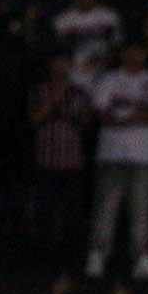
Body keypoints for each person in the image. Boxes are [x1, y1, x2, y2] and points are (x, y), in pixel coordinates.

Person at [87, 40, 148, 280]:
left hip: (144, 157)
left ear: (145, 55)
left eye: (139, 52)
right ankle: (97, 256)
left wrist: (135, 118)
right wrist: (133, 119)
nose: (135, 57)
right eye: (130, 52)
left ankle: (142, 259)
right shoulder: (110, 80)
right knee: (106, 207)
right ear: (123, 54)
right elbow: (101, 112)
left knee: (141, 210)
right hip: (111, 154)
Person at [29, 50, 93, 266]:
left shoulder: (79, 93)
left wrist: (67, 108)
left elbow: (86, 123)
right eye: (57, 62)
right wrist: (52, 104)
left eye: (64, 62)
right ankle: (41, 260)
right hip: (46, 161)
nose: (60, 67)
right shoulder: (39, 91)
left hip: (72, 163)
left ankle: (69, 261)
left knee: (71, 216)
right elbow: (34, 118)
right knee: (45, 213)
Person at [51, 0, 121, 85]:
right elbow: (57, 54)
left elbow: (118, 47)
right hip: (73, 75)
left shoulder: (109, 17)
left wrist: (101, 60)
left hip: (104, 74)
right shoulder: (62, 21)